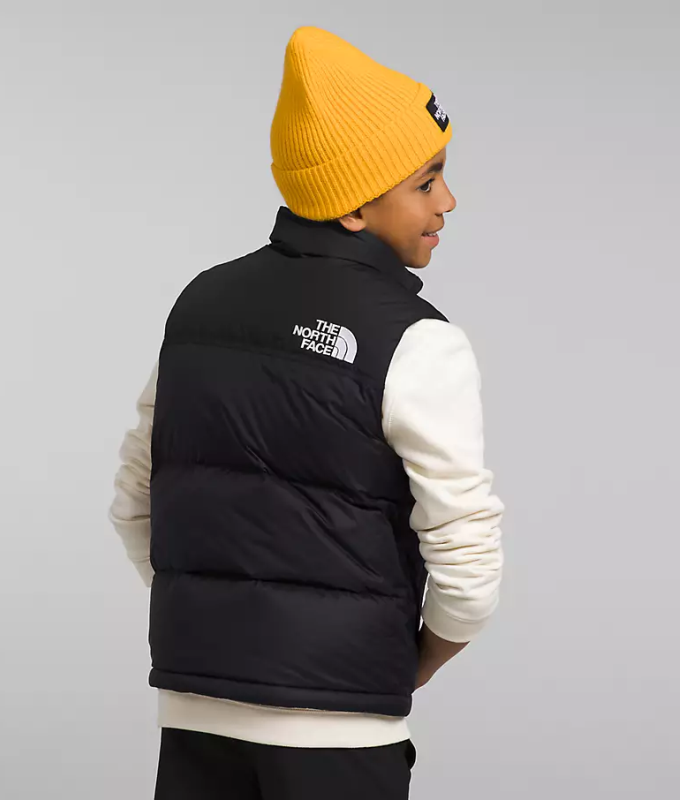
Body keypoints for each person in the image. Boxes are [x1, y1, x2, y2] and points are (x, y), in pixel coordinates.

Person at [108, 25, 505, 800]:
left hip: (194, 710)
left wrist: (216, 624)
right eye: (425, 182)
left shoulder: (200, 304)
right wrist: (401, 663)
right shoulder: (416, 341)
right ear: (353, 208)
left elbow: (134, 503)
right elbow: (468, 572)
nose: (447, 201)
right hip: (338, 729)